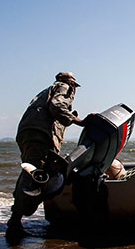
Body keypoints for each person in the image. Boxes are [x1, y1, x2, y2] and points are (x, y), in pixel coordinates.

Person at [6, 71, 85, 238]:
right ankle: (14, 224)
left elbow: (52, 111)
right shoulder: (63, 87)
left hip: (29, 133)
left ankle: (16, 219)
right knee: (35, 177)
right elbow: (57, 107)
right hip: (41, 135)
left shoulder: (45, 92)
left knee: (32, 174)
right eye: (74, 86)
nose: (74, 90)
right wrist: (80, 122)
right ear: (71, 83)